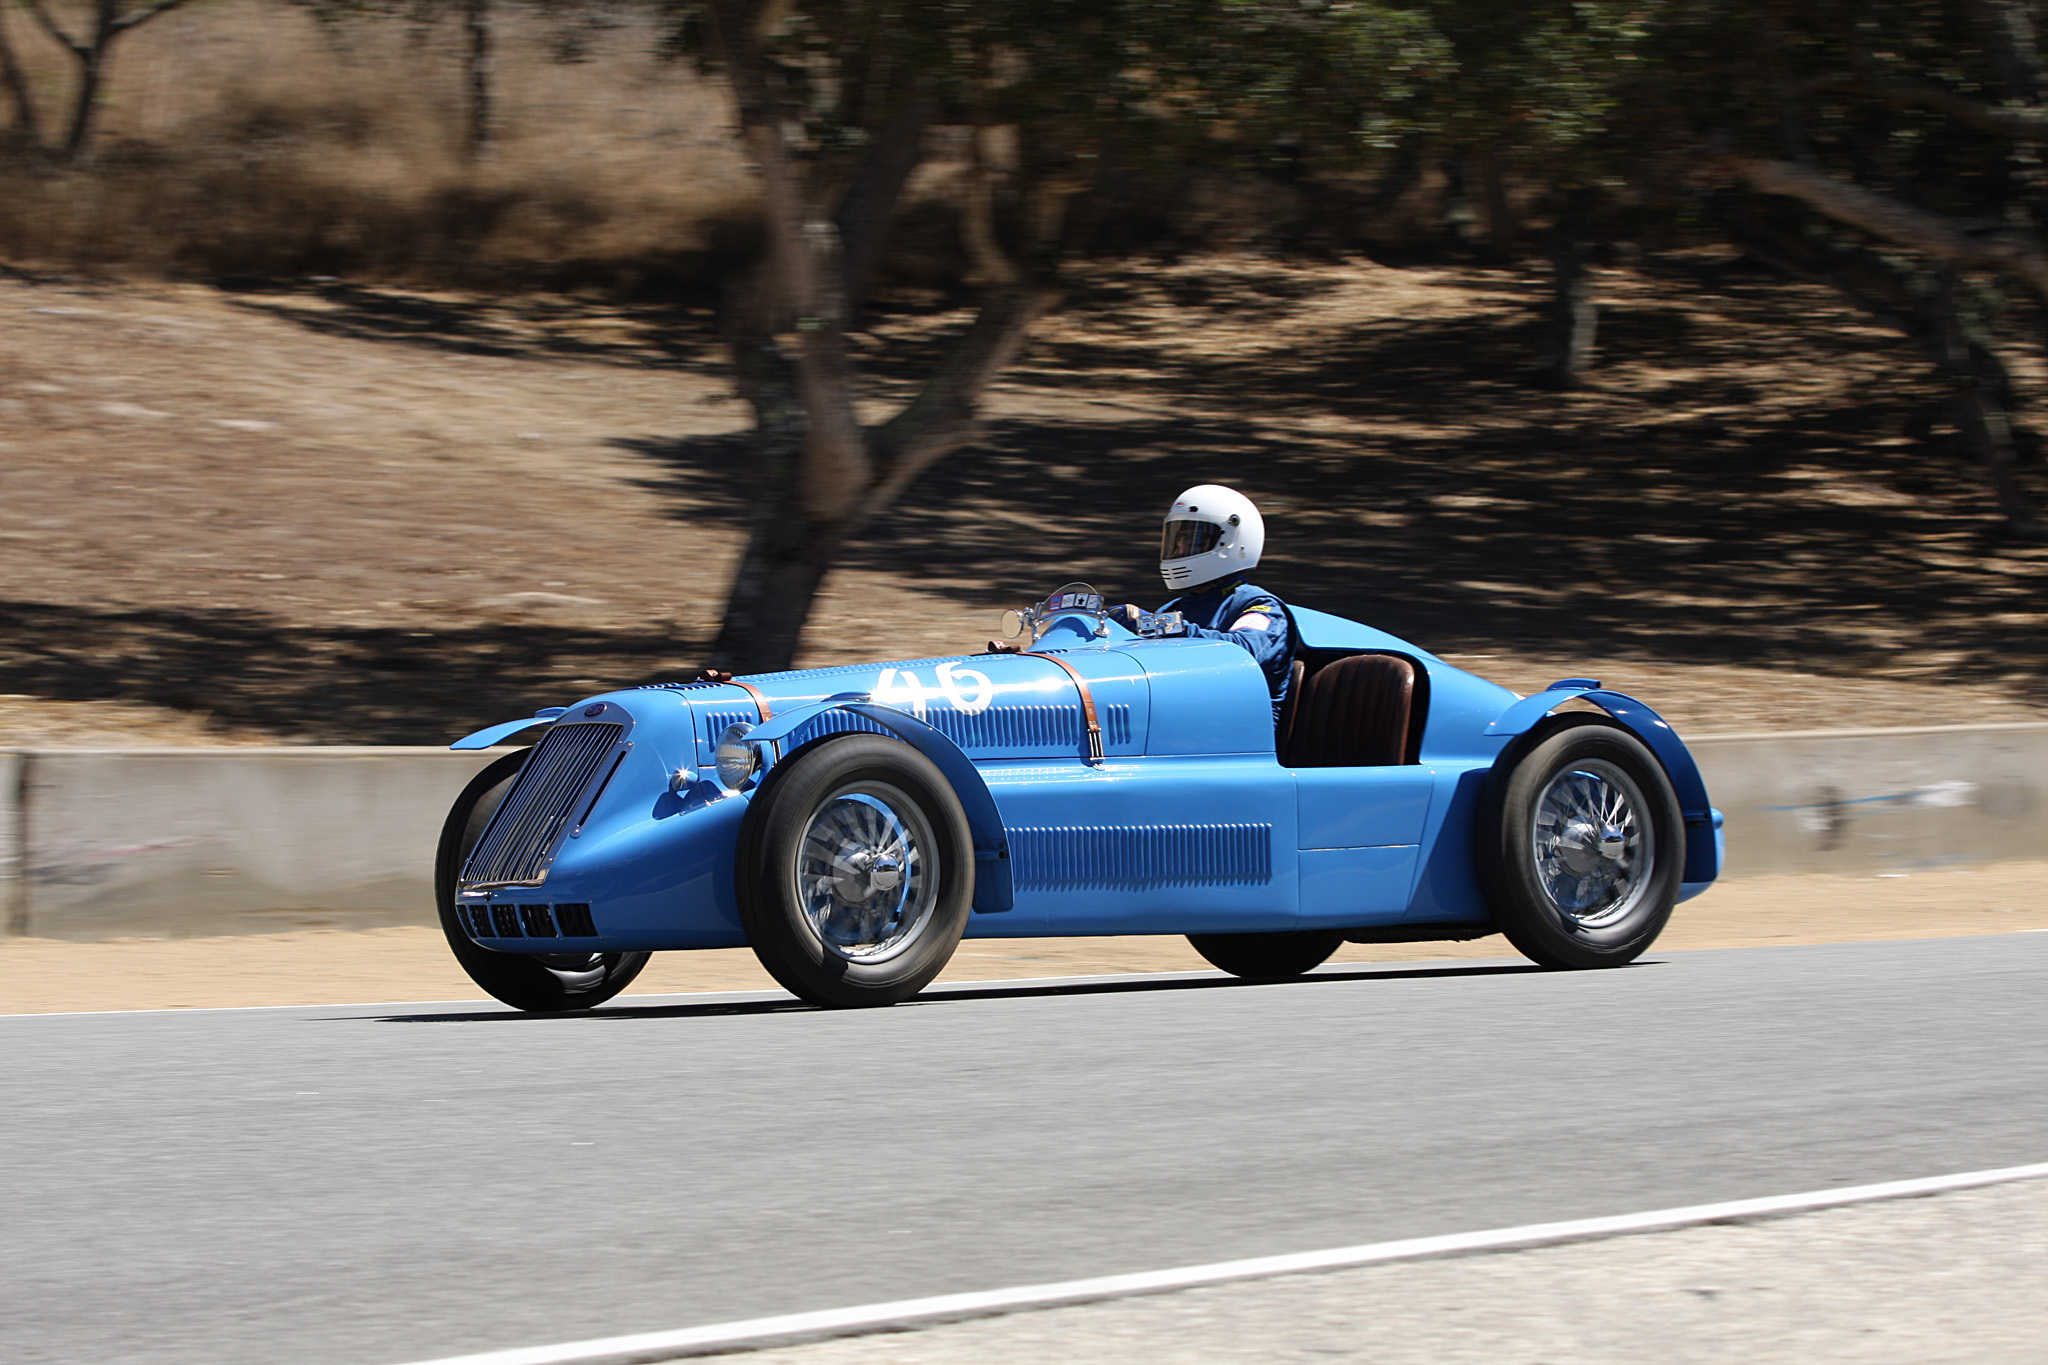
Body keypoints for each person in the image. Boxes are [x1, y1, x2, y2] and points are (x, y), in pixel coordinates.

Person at [1114, 484, 1295, 718]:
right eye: (1177, 541)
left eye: (1193, 540)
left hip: (1239, 726)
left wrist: (1163, 627)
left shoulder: (1260, 606)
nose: (1181, 549)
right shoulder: (1175, 608)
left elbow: (1243, 652)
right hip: (1184, 717)